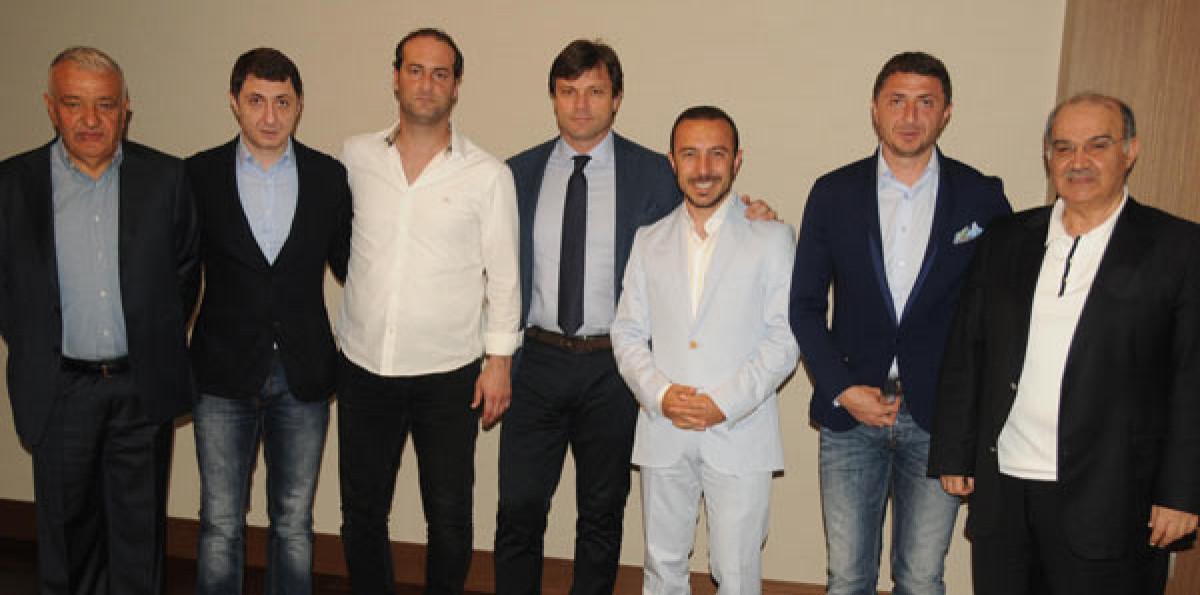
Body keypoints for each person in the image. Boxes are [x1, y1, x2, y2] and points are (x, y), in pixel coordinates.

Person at [494, 39, 773, 595]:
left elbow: (710, 207)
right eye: (569, 91)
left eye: (595, 91)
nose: (581, 105)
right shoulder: (516, 174)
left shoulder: (654, 172)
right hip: (536, 361)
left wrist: (755, 213)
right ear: (553, 97)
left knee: (602, 513)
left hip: (614, 369)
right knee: (519, 509)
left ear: (616, 99)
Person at [929, 92, 1200, 595]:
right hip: (1006, 488)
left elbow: (1192, 380)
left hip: (1114, 497)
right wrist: (953, 452)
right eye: (1063, 147)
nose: (1079, 161)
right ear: (1048, 156)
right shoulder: (1006, 239)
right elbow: (967, 352)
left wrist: (1182, 493)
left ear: (1130, 151)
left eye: (1098, 145)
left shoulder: (1178, 248)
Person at [788, 51, 1010, 595]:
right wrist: (842, 389)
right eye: (897, 101)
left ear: (946, 112)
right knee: (847, 576)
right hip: (852, 415)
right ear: (875, 108)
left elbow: (999, 314)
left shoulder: (981, 196)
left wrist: (975, 422)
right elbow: (804, 306)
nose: (910, 116)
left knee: (921, 577)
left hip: (940, 420)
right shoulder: (833, 193)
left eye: (925, 102)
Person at [0, 46, 199, 595]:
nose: (90, 120)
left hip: (140, 390)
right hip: (60, 391)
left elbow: (184, 273)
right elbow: (8, 289)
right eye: (73, 104)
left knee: (139, 543)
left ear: (125, 108)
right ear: (51, 107)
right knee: (68, 547)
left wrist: (150, 342)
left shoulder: (166, 178)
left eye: (105, 104)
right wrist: (39, 344)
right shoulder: (12, 185)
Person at [336, 28, 520, 595]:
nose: (426, 83)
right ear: (395, 77)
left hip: (448, 374)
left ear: (456, 86)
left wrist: (499, 363)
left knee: (449, 516)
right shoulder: (355, 157)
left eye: (440, 73)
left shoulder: (488, 175)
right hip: (364, 366)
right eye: (415, 70)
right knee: (361, 512)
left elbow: (505, 276)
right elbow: (340, 246)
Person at [611, 106, 798, 595]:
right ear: (672, 161)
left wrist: (723, 403)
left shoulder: (772, 238)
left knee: (736, 571)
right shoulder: (648, 240)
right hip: (664, 428)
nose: (703, 168)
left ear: (737, 160)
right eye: (690, 154)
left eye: (717, 154)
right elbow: (627, 331)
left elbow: (785, 338)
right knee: (661, 565)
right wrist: (660, 394)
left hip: (740, 430)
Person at [185, 47, 352, 595]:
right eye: (256, 100)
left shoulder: (328, 177)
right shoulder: (198, 175)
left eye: (283, 102)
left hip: (302, 375)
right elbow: (179, 274)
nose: (270, 115)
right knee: (220, 523)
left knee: (294, 523)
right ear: (234, 102)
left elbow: (353, 267)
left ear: (299, 105)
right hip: (221, 375)